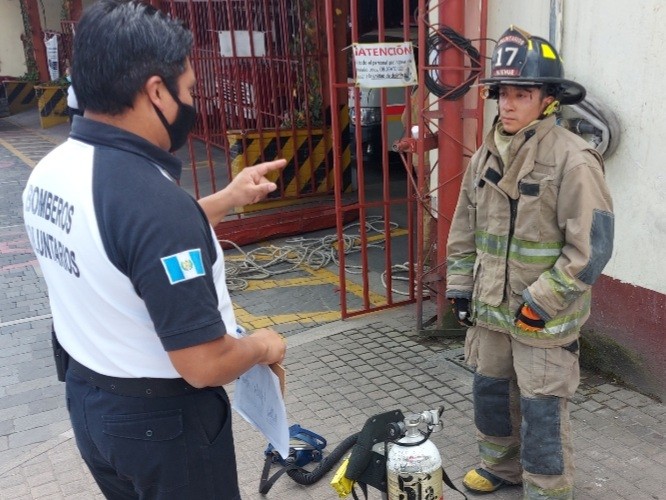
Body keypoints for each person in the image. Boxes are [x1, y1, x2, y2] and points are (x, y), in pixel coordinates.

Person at [22, 1, 287, 498]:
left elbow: (121, 246)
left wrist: (228, 198)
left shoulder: (52, 171)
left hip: (91, 402)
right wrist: (262, 346)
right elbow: (203, 362)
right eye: (188, 90)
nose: (193, 101)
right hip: (163, 427)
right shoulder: (151, 205)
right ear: (156, 92)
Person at [445, 26, 614, 499]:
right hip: (490, 312)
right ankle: (501, 468)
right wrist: (460, 289)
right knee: (491, 395)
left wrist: (541, 302)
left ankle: (546, 488)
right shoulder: (485, 155)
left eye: (523, 93)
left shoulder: (573, 160)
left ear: (549, 100)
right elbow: (464, 228)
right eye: (503, 93)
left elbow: (592, 248)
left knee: (541, 408)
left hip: (543, 316)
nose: (509, 104)